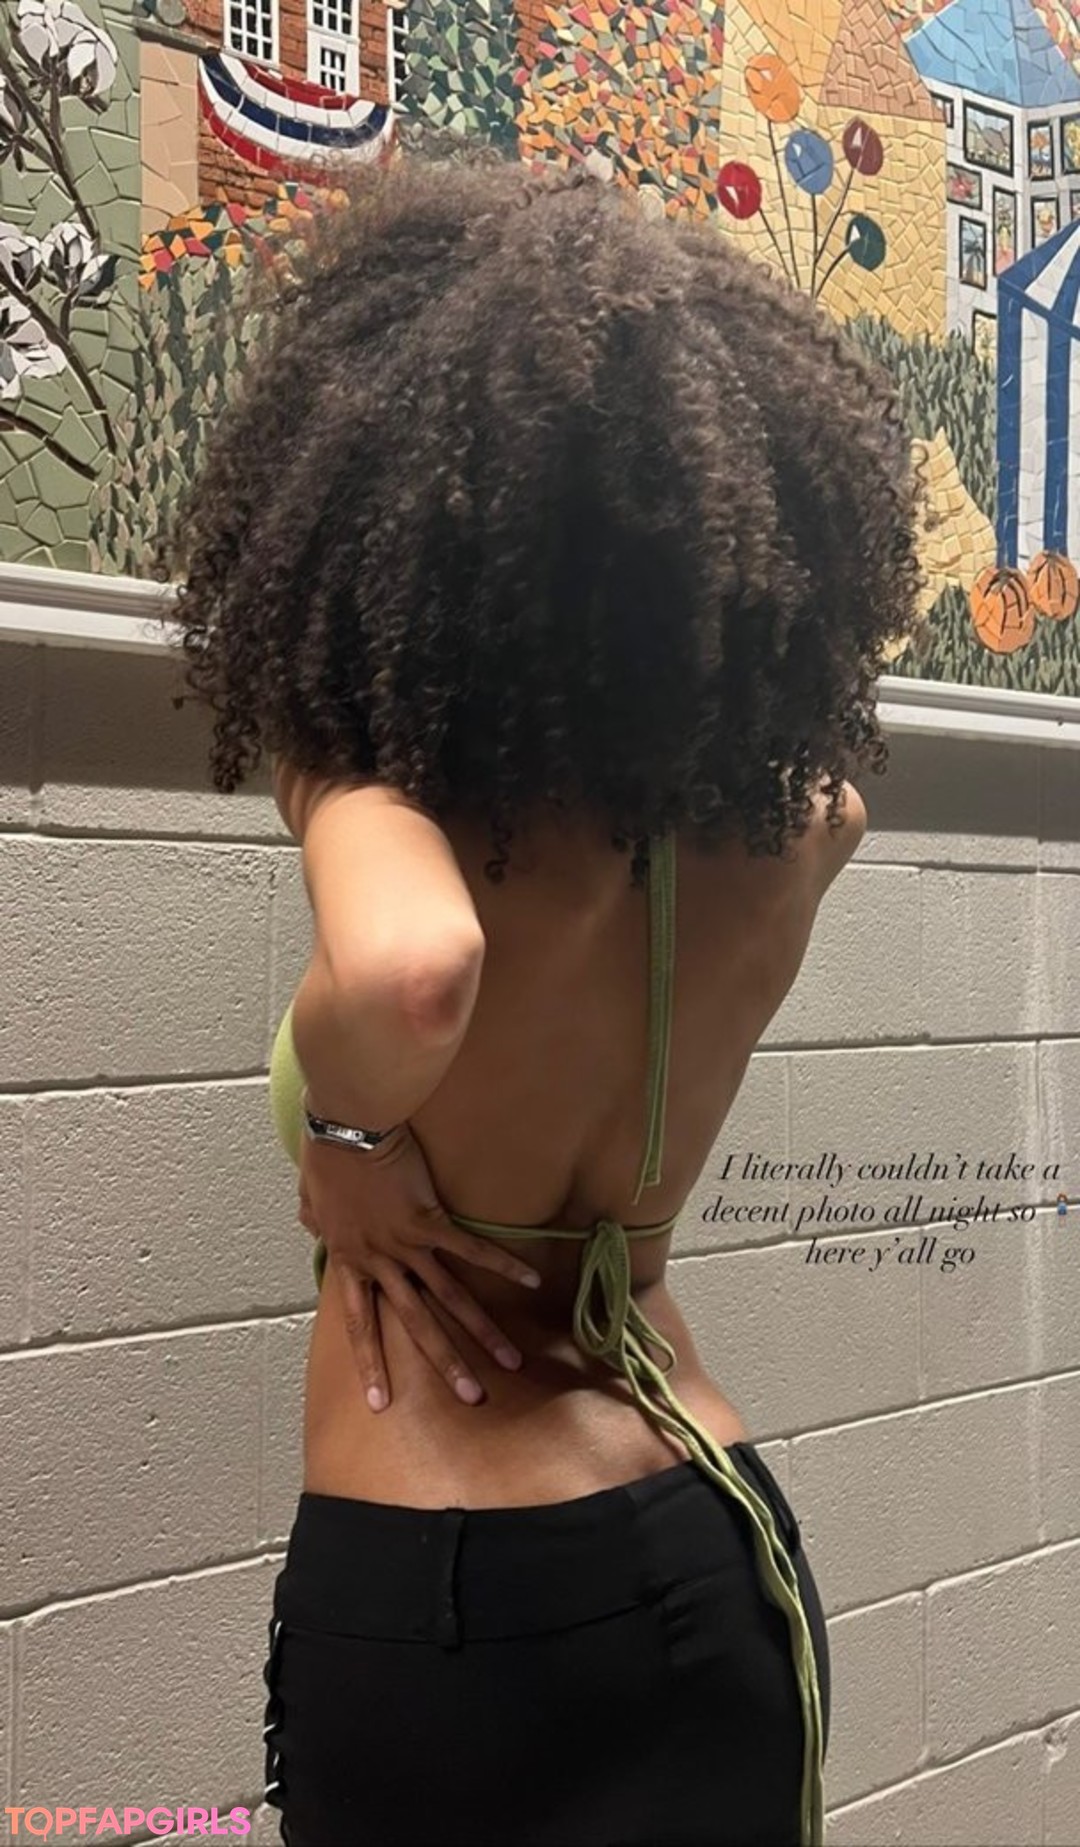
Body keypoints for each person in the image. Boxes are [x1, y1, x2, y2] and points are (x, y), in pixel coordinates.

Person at [157, 149, 921, 1847]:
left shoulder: (380, 795)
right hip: (711, 1538)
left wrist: (349, 1138)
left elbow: (410, 969)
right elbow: (834, 802)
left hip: (460, 1607)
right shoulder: (789, 834)